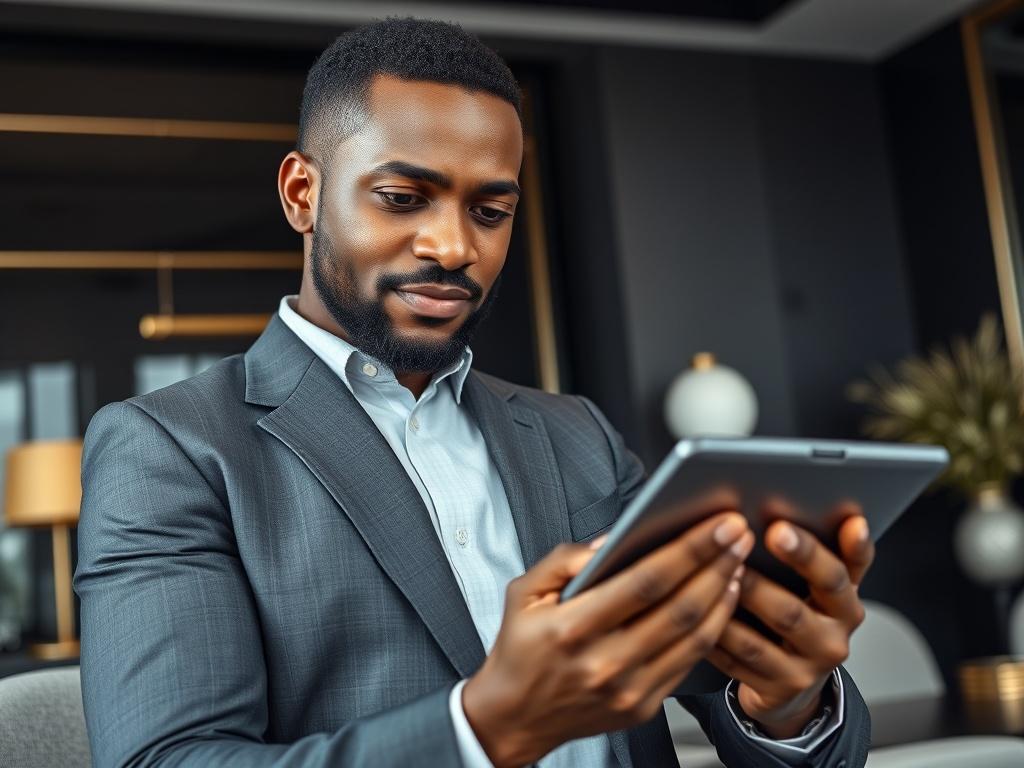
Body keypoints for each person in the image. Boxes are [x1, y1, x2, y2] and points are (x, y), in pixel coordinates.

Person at [75, 17, 872, 768]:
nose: (454, 247)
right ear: (301, 195)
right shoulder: (169, 449)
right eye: (402, 198)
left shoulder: (578, 436)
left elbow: (724, 691)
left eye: (491, 211)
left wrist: (788, 701)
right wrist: (485, 728)